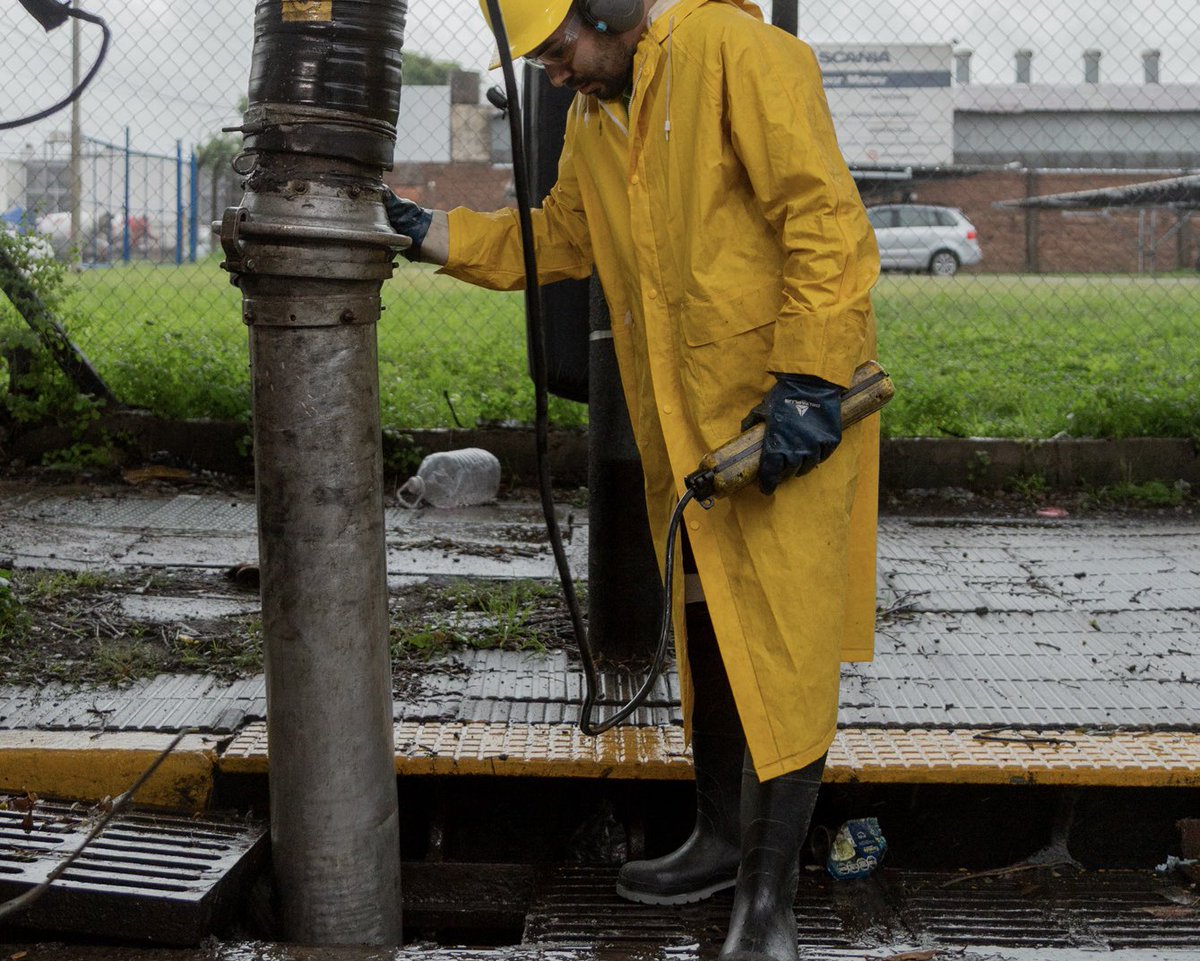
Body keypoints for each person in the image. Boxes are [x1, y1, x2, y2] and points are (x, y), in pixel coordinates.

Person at [386, 0, 881, 957]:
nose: (557, 74)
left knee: (781, 645)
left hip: (779, 421)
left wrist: (813, 378)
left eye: (561, 49)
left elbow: (822, 217)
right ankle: (723, 839)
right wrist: (424, 232)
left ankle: (767, 904)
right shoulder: (592, 119)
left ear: (606, 4)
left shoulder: (741, 54)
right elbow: (559, 237)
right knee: (706, 625)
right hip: (689, 439)